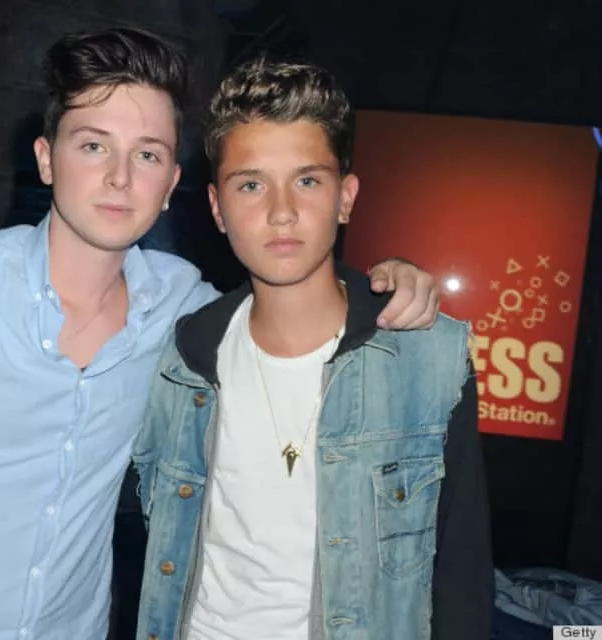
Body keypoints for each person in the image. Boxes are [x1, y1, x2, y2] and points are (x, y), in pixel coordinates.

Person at [0, 28, 441, 640]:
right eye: (94, 146)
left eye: (147, 154)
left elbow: (288, 299)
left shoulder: (183, 309)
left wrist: (387, 281)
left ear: (171, 183)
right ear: (46, 158)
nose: (119, 176)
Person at [132, 54, 494, 640]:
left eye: (307, 180)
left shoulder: (428, 358)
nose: (281, 212)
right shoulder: (183, 358)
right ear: (218, 209)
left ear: (345, 197)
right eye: (251, 185)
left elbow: (462, 571)